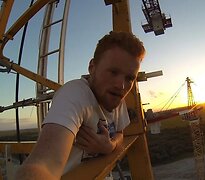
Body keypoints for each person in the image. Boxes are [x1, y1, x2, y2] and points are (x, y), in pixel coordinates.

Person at [15, 31, 146, 179]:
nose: (121, 86)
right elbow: (44, 164)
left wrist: (110, 145)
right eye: (113, 72)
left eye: (129, 78)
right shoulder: (74, 94)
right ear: (92, 67)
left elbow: (120, 133)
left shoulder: (117, 99)